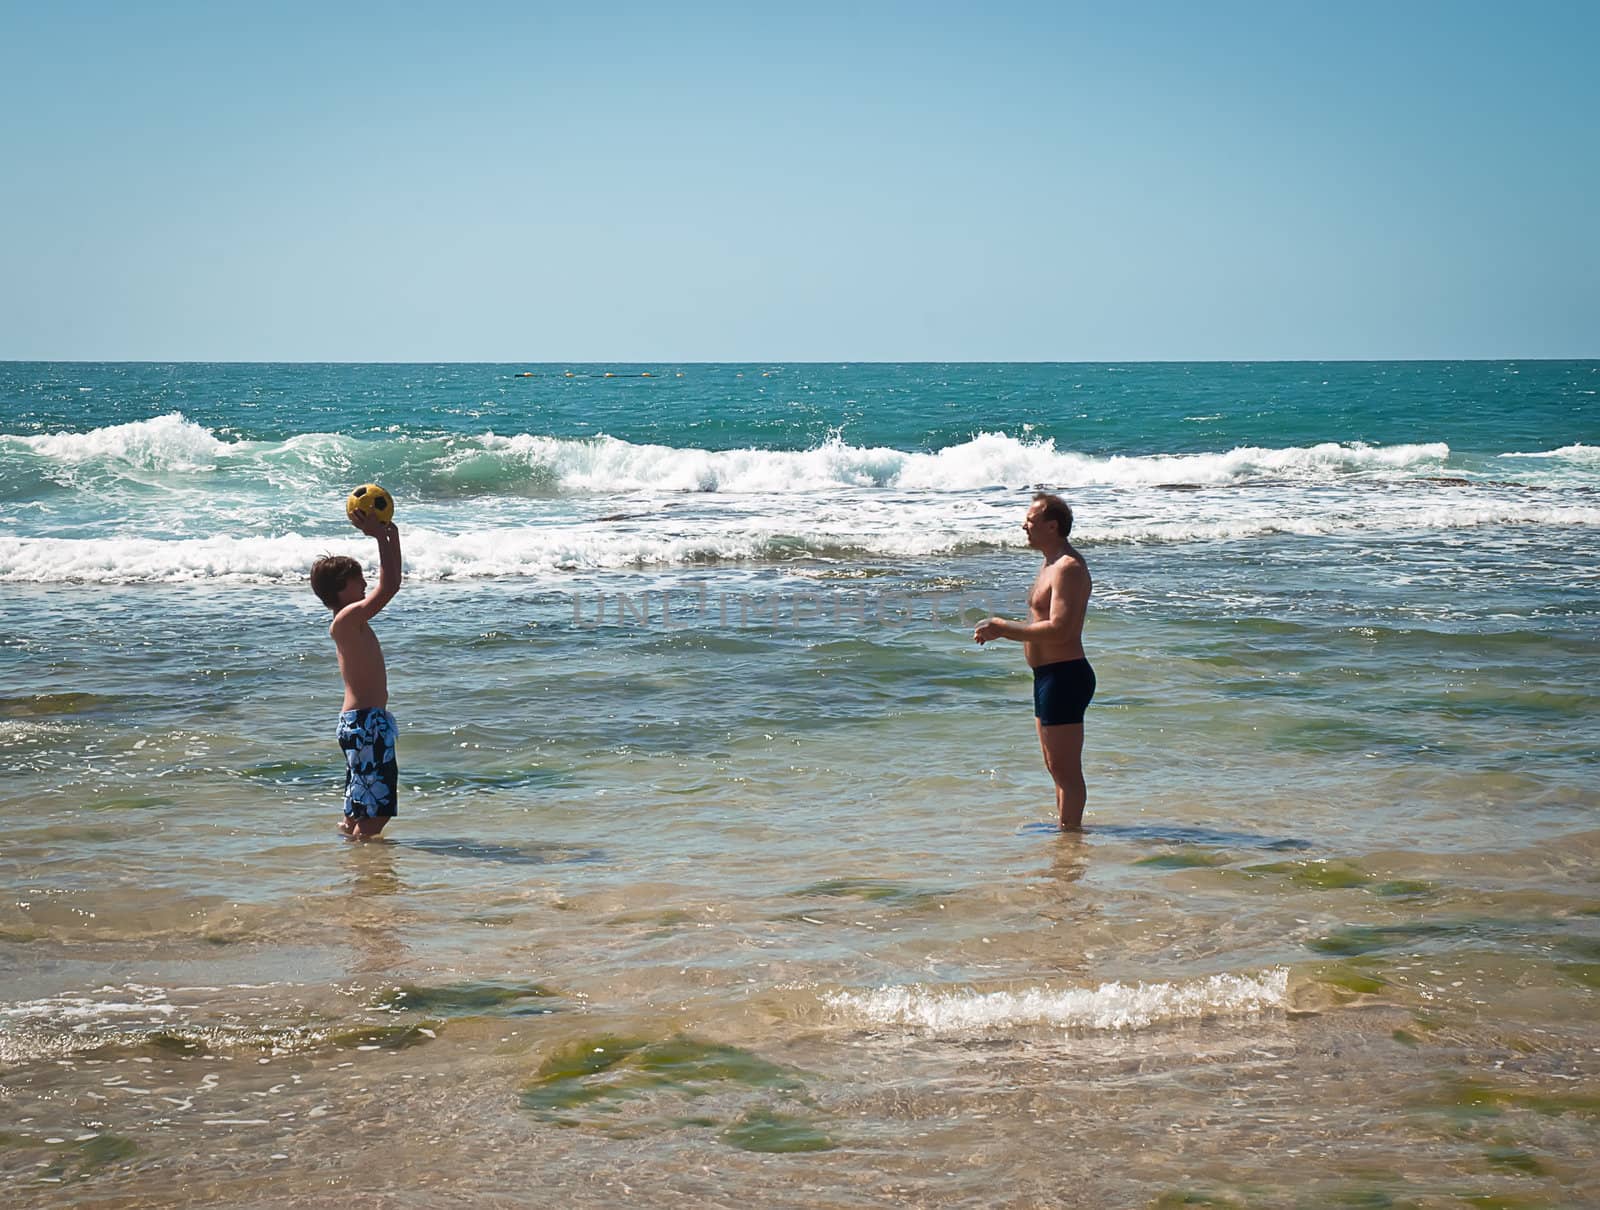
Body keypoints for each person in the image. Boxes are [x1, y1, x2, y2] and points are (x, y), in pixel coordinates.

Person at [974, 493, 1095, 829]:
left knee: (1066, 770)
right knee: (1054, 766)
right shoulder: (1049, 564)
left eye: (1031, 520)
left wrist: (1002, 628)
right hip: (1047, 677)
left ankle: (1071, 841)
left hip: (1065, 676)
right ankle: (1067, 833)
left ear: (1051, 526)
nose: (1024, 525)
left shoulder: (1068, 568)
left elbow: (1061, 630)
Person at [309, 514, 403, 839]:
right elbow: (390, 586)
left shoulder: (349, 621)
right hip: (366, 725)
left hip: (362, 724)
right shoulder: (347, 618)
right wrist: (382, 537)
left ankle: (352, 861)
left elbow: (389, 585)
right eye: (357, 579)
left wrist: (392, 533)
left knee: (359, 808)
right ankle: (367, 870)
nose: (364, 584)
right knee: (375, 814)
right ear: (339, 589)